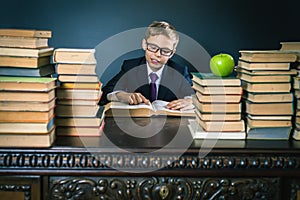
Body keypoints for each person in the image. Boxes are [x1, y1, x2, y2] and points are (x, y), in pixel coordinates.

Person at [100, 20, 195, 110]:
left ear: (172, 53)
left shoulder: (180, 71)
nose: (158, 54)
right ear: (144, 44)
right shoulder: (130, 66)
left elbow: (195, 96)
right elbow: (107, 91)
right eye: (153, 47)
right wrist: (122, 95)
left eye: (165, 51)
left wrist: (190, 101)